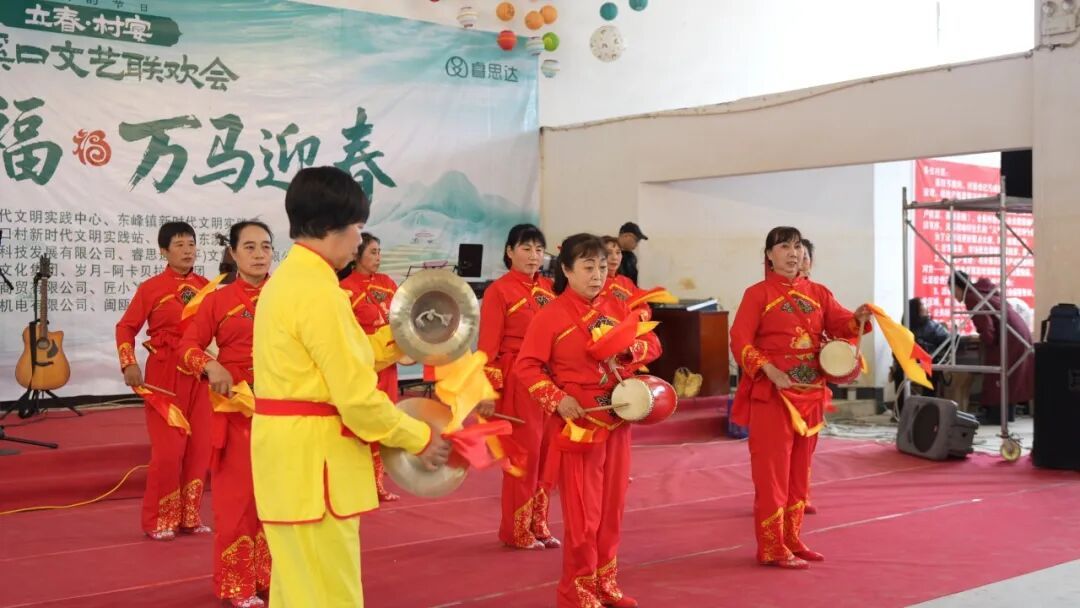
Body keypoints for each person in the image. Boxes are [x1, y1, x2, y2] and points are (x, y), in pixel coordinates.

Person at [251, 166, 451, 607]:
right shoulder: (320, 292)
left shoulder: (289, 281)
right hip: (317, 465)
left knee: (296, 589)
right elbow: (357, 399)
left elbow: (335, 361)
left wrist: (399, 340)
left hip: (290, 461)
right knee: (330, 595)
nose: (360, 240)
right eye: (357, 227)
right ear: (330, 227)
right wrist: (419, 438)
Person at [516, 233, 661, 608]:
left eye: (601, 267)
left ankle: (605, 581)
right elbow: (526, 366)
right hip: (579, 425)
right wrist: (557, 399)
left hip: (617, 419)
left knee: (612, 508)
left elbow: (652, 344)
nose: (597, 275)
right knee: (584, 514)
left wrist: (629, 350)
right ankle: (576, 590)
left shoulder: (617, 307)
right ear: (566, 270)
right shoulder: (550, 316)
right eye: (587, 267)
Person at [729, 226, 871, 569]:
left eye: (796, 246)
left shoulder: (819, 292)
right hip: (773, 394)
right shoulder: (757, 294)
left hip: (810, 394)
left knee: (799, 471)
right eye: (783, 247)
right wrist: (769, 370)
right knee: (772, 472)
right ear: (769, 255)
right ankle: (771, 546)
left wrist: (858, 318)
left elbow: (842, 325)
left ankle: (791, 538)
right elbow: (740, 340)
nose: (792, 253)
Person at [179, 221, 274, 607]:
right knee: (237, 500)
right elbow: (188, 346)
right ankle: (237, 584)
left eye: (265, 246)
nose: (259, 254)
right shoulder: (217, 301)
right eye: (249, 247)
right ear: (233, 254)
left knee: (278, 498)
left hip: (284, 411)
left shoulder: (287, 297)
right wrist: (210, 365)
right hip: (237, 409)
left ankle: (270, 577)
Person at [115, 221, 211, 541]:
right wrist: (128, 362)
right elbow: (125, 327)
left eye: (191, 244)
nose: (187, 250)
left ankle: (189, 517)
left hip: (200, 375)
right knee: (169, 451)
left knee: (199, 449)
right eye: (179, 245)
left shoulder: (207, 288)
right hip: (164, 375)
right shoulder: (152, 288)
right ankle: (159, 519)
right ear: (164, 251)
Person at [475, 224, 559, 550]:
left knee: (549, 454)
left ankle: (539, 524)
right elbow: (487, 347)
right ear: (509, 251)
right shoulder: (499, 291)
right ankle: (517, 529)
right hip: (517, 380)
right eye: (526, 248)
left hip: (549, 380)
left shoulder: (550, 290)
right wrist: (487, 392)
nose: (534, 256)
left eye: (539, 249)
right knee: (524, 455)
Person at [339, 232, 403, 502]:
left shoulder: (388, 284)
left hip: (387, 365)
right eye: (373, 252)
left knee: (383, 419)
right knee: (359, 422)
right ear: (356, 255)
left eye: (379, 252)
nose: (378, 257)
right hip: (361, 367)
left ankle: (377, 484)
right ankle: (355, 481)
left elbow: (403, 318)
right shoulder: (344, 289)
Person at [951, 270, 1034, 422]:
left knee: (997, 373)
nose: (953, 296)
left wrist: (987, 340)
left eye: (953, 291)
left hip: (1009, 336)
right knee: (1009, 375)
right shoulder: (984, 292)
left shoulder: (972, 297)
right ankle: (1006, 414)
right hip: (1018, 332)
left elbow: (986, 325)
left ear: (957, 287)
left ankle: (996, 416)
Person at [600, 236, 652, 321]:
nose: (615, 257)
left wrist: (639, 316)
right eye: (608, 253)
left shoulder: (626, 281)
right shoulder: (594, 283)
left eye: (618, 252)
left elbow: (644, 306)